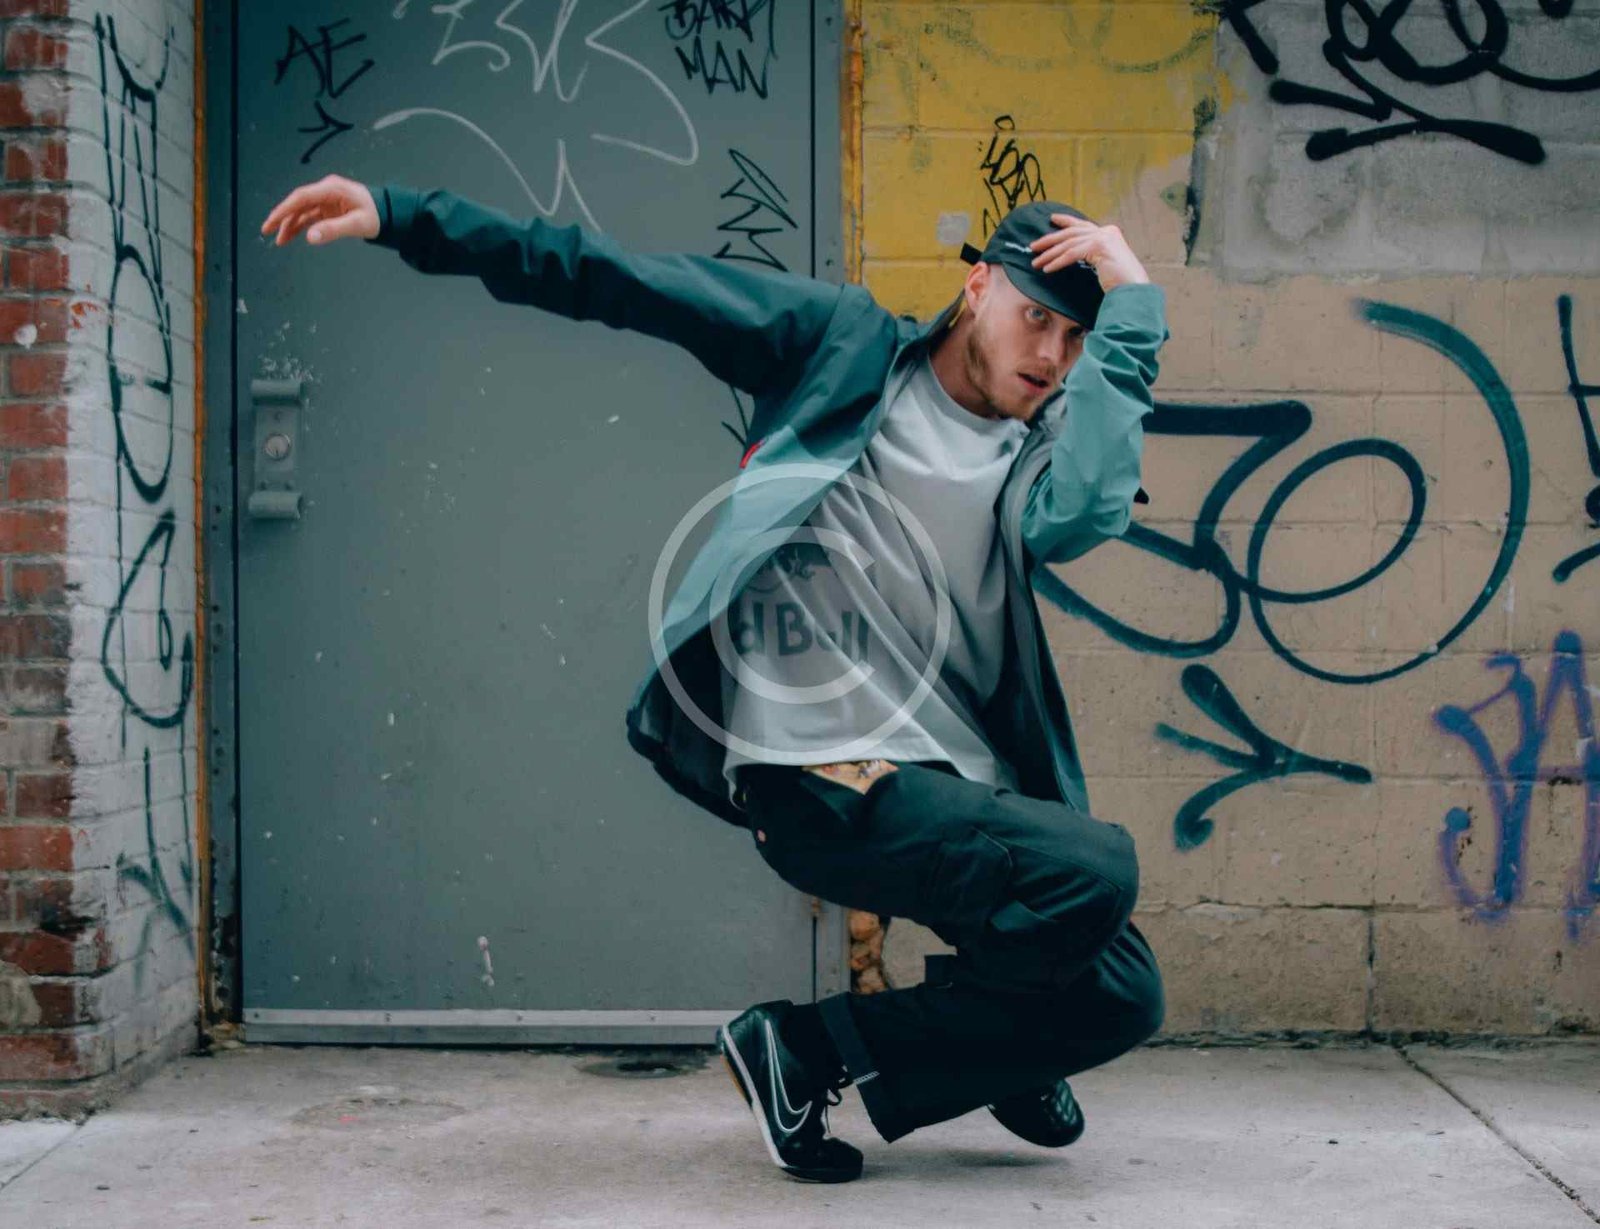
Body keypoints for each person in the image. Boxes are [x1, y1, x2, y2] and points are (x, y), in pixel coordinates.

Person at [261, 175, 1169, 1184]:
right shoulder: (842, 345)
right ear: (977, 289)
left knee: (1127, 990)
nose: (1051, 356)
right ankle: (818, 1045)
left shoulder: (1039, 450)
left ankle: (980, 1044)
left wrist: (1132, 306)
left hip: (945, 791)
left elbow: (1080, 515)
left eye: (1075, 339)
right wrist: (405, 217)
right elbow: (624, 280)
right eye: (1036, 319)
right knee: (1098, 870)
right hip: (821, 781)